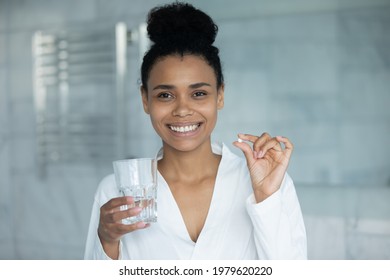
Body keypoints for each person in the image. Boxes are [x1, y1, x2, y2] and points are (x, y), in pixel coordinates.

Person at [84, 2, 307, 260]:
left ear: (220, 95)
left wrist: (267, 199)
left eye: (198, 93)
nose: (182, 109)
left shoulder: (268, 184)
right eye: (165, 95)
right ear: (145, 99)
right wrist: (107, 241)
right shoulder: (116, 191)